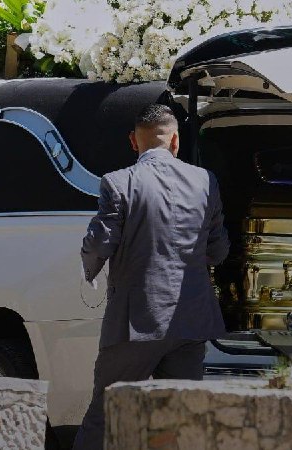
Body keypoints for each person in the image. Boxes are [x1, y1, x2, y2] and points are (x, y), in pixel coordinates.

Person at [75, 104, 229, 450]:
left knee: (107, 415)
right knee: (179, 423)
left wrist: (90, 271)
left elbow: (99, 244)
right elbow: (218, 250)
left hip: (136, 322)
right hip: (191, 320)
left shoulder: (118, 182)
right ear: (175, 141)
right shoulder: (206, 181)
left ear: (134, 141)